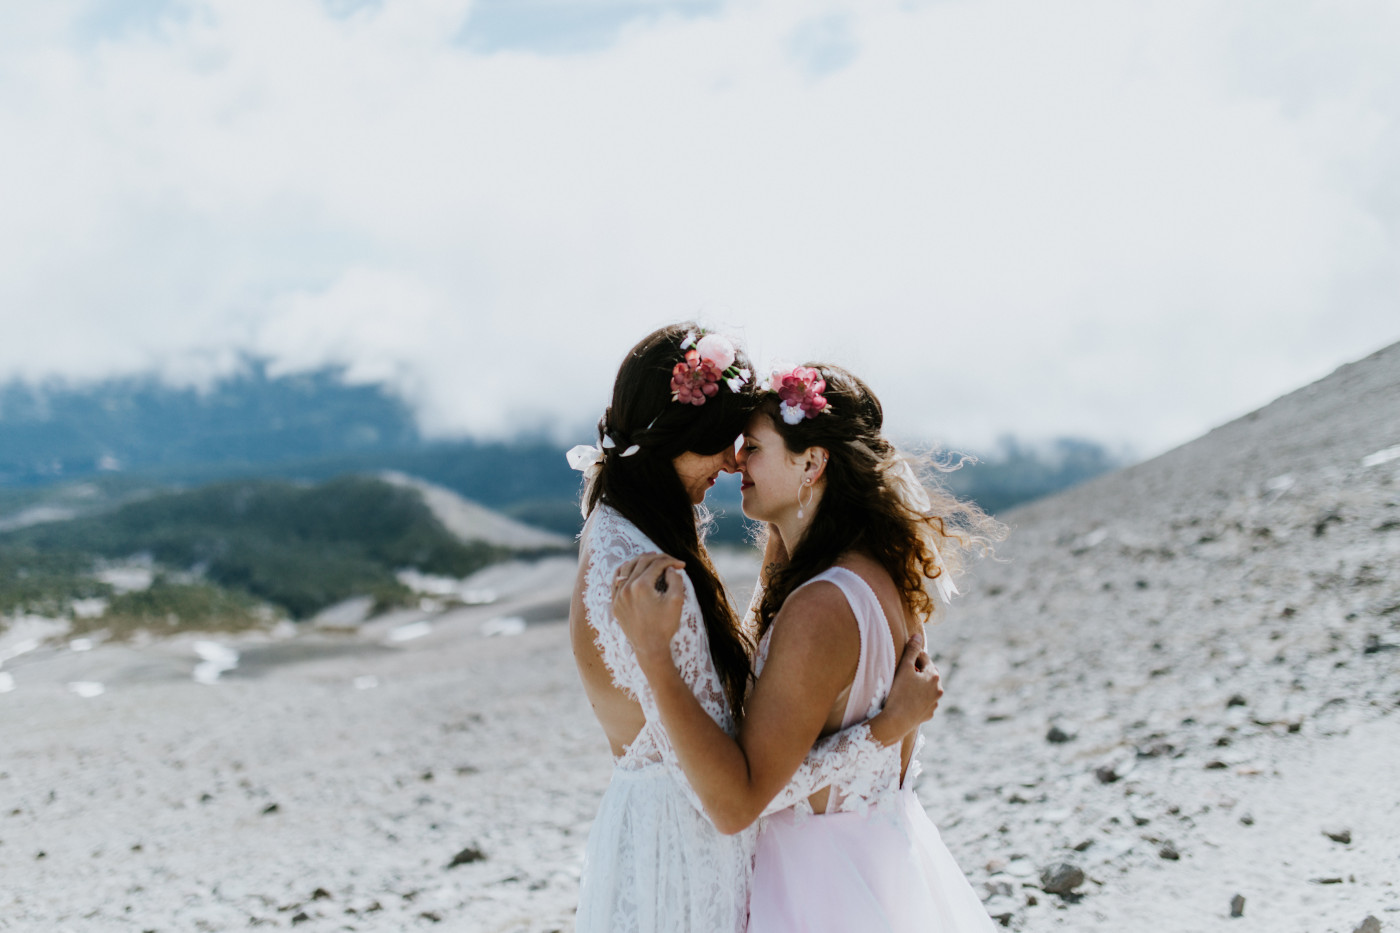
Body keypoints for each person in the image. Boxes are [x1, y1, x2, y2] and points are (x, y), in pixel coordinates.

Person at [567, 329, 944, 933]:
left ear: (812, 463)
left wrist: (885, 729)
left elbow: (743, 790)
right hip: (852, 869)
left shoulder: (819, 602)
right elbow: (761, 711)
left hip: (813, 881)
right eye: (729, 441)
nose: (735, 459)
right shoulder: (868, 571)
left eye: (753, 446)